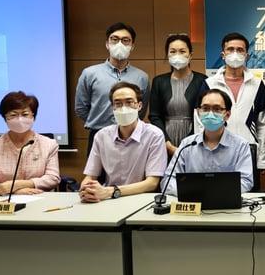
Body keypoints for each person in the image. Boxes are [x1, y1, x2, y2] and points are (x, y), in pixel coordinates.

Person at [199, 32, 265, 183]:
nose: (235, 53)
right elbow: (200, 122)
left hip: (249, 151)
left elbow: (263, 124)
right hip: (216, 151)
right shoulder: (209, 84)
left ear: (247, 55)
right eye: (230, 49)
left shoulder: (257, 85)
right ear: (223, 55)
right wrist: (201, 153)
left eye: (240, 50)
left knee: (248, 193)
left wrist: (262, 159)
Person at [79, 82, 167, 202]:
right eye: (118, 103)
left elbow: (152, 183)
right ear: (112, 107)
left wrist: (111, 191)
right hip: (109, 200)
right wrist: (86, 190)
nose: (124, 108)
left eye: (129, 102)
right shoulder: (102, 136)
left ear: (139, 106)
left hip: (141, 200)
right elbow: (90, 176)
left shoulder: (154, 135)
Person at [75, 22, 149, 153]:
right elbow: (81, 108)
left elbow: (141, 110)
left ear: (132, 46)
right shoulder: (90, 74)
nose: (119, 44)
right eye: (115, 39)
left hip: (131, 137)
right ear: (107, 44)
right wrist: (98, 120)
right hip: (99, 134)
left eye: (125, 40)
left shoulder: (142, 77)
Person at [162, 89, 254, 195]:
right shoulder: (186, 145)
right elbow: (168, 181)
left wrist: (212, 192)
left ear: (227, 115)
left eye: (217, 109)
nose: (210, 114)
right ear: (198, 112)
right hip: (193, 201)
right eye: (205, 108)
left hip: (225, 202)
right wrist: (193, 192)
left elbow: (246, 182)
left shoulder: (240, 146)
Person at [0, 91, 60, 195]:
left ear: (33, 116)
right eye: (13, 115)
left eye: (25, 114)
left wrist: (16, 185)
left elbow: (52, 178)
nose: (19, 119)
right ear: (5, 118)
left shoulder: (49, 144)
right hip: (3, 200)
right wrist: (15, 191)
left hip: (40, 198)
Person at [149, 33, 208, 157]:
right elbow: (154, 116)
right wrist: (167, 144)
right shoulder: (159, 81)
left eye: (182, 51)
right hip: (165, 141)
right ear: (167, 55)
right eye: (172, 52)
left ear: (190, 55)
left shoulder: (202, 80)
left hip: (194, 140)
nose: (177, 55)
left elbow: (204, 114)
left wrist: (189, 143)